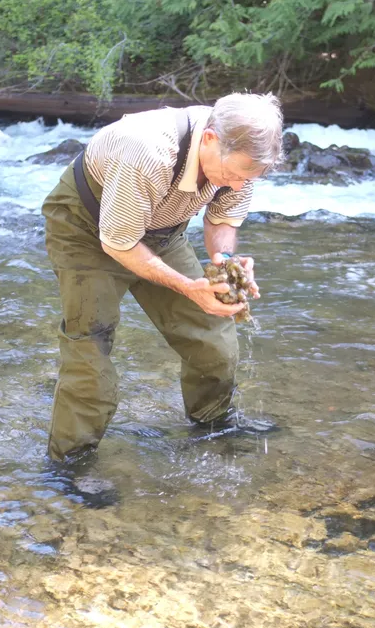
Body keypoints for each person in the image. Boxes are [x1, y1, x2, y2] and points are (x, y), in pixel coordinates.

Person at [42, 92, 284, 462]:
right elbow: (120, 242)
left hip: (163, 229)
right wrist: (188, 286)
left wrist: (227, 264)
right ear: (209, 140)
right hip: (86, 230)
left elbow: (220, 219)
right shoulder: (147, 151)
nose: (238, 185)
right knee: (90, 345)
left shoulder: (243, 156)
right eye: (234, 174)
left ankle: (211, 426)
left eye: (247, 177)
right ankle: (69, 465)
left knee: (213, 340)